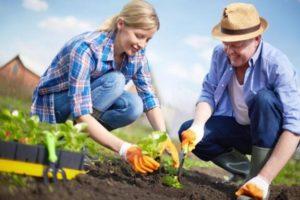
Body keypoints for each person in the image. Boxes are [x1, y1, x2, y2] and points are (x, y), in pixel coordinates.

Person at [31, 0, 179, 174]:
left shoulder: (137, 55)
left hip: (82, 109)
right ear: (121, 24)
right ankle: (64, 141)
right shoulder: (86, 48)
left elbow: (148, 97)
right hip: (53, 107)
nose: (142, 44)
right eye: (139, 36)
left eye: (148, 39)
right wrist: (125, 149)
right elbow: (81, 112)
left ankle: (71, 141)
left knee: (134, 106)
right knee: (115, 81)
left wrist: (163, 136)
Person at [178, 3, 300, 200]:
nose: (229, 51)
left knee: (264, 99)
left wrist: (264, 179)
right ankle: (244, 173)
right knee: (188, 129)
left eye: (237, 45)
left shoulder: (277, 64)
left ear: (257, 39)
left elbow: (295, 126)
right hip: (241, 130)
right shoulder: (220, 54)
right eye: (226, 43)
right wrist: (198, 126)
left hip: (272, 138)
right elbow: (208, 92)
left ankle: (258, 181)